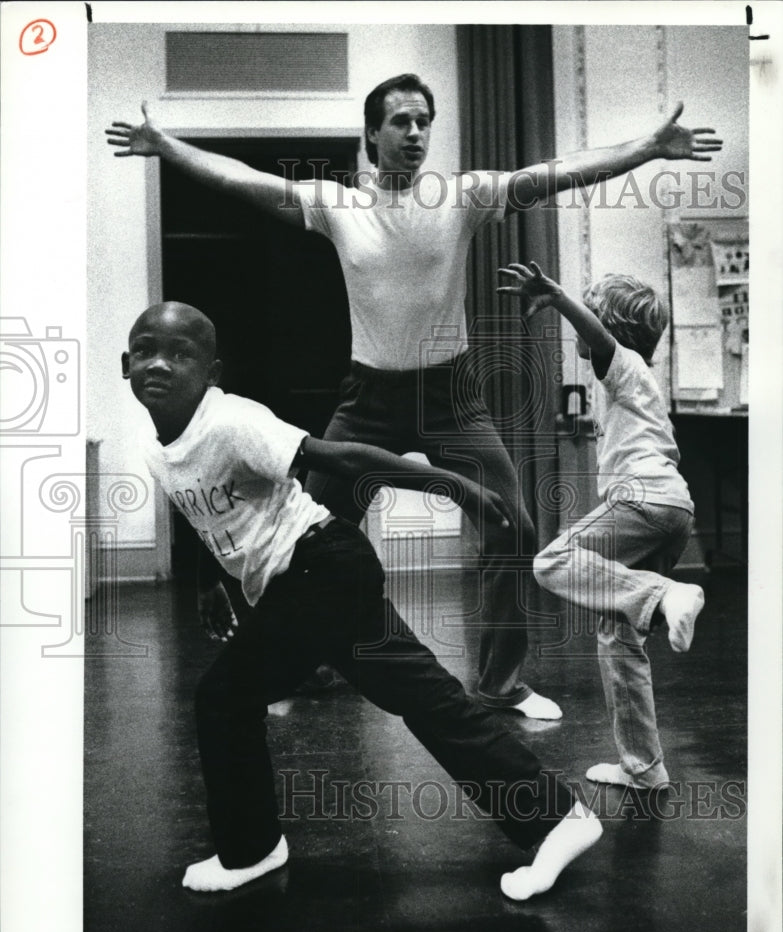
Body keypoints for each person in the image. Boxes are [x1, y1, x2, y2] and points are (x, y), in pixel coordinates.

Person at [106, 75, 722, 720]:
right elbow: (240, 180)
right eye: (399, 121)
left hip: (450, 396)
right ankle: (298, 663)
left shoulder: (463, 196)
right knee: (298, 535)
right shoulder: (336, 207)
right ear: (372, 134)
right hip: (366, 395)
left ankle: (501, 684)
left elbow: (560, 171)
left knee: (513, 525)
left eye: (423, 121)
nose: (414, 133)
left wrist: (647, 148)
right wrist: (167, 146)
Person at [121, 299, 602, 899]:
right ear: (125, 365)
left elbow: (340, 457)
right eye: (146, 352)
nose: (159, 365)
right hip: (326, 575)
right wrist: (206, 581)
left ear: (213, 373)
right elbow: (198, 502)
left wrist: (452, 482)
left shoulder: (233, 421)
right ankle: (558, 818)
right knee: (429, 701)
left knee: (222, 699)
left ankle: (252, 849)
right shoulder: (158, 444)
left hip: (318, 570)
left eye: (180, 353)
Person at [497, 261, 706, 789]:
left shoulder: (627, 364)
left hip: (644, 499)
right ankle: (644, 767)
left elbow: (597, 336)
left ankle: (663, 594)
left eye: (588, 321)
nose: (578, 335)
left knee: (553, 561)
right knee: (618, 636)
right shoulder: (637, 383)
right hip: (671, 509)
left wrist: (561, 299)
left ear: (608, 329)